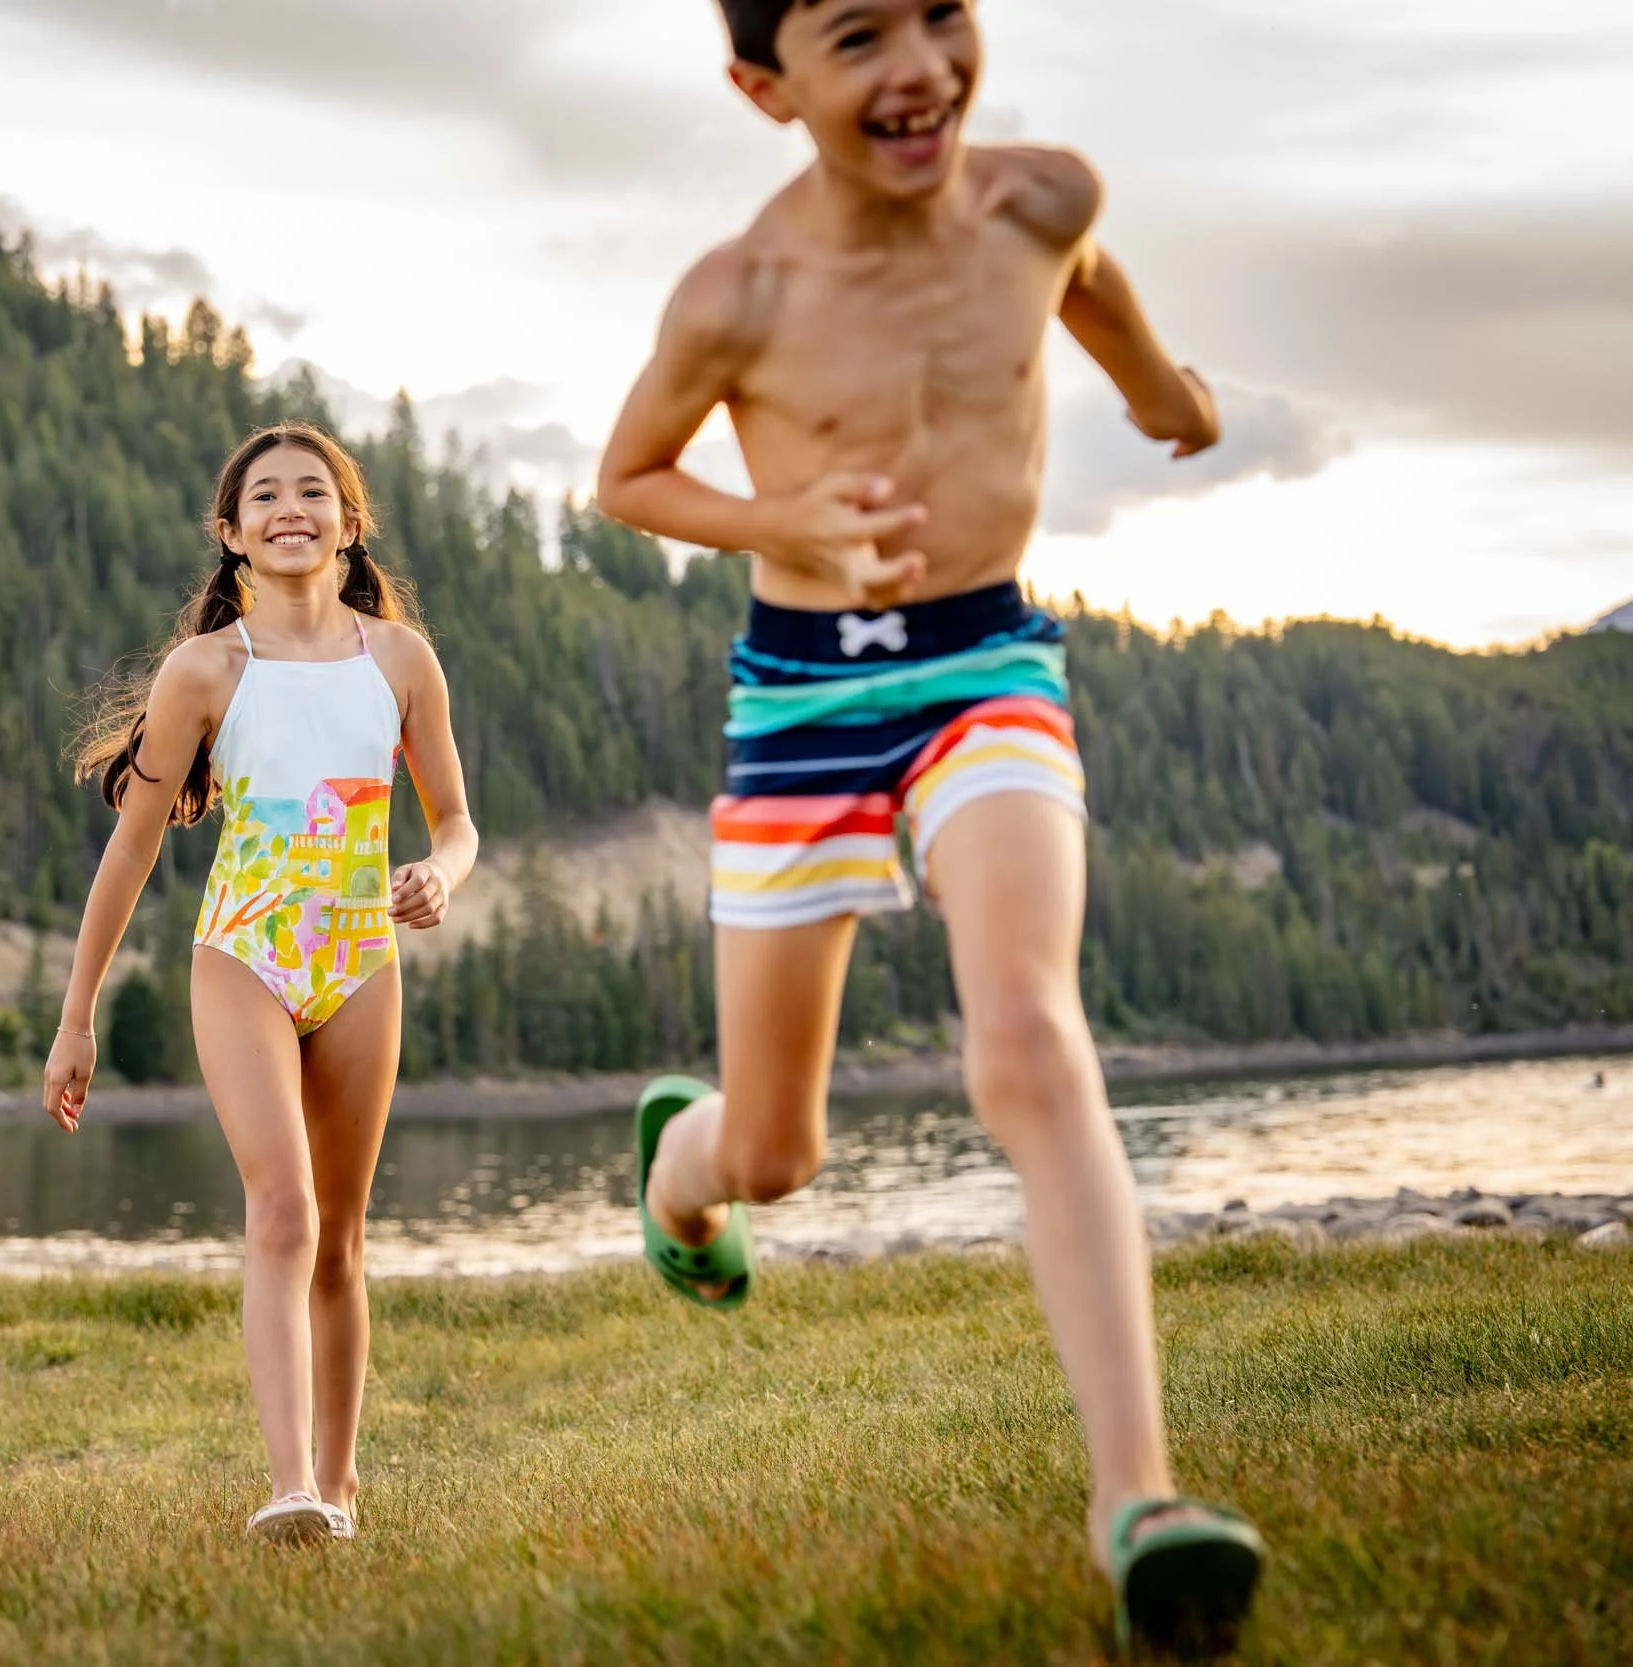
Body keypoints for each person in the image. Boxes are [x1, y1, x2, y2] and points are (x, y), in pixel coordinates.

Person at [594, 1, 1264, 1652]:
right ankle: (687, 1171)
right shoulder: (737, 293)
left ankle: (1143, 1502)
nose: (920, 67)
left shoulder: (1041, 197)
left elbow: (1087, 277)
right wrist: (782, 517)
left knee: (1028, 1027)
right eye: (858, 34)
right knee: (777, 1150)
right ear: (767, 87)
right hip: (804, 698)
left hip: (985, 663)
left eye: (943, 14)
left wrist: (1165, 391)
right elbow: (630, 474)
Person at [46, 422, 478, 1545]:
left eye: (313, 492)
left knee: (340, 1237)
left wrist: (439, 870)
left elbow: (461, 823)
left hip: (359, 964)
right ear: (231, 534)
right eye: (266, 496)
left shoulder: (400, 661)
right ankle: (289, 1485)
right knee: (280, 1206)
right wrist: (76, 1015)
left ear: (346, 521)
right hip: (242, 953)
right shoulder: (206, 670)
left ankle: (337, 1488)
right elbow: (131, 849)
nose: (292, 508)